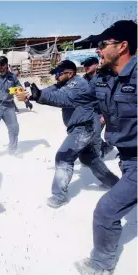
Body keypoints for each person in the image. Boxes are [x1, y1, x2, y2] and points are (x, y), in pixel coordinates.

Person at [74, 20, 137, 275]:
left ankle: (101, 266)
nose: (98, 49)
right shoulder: (104, 78)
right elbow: (74, 96)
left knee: (106, 211)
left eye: (102, 44)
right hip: (127, 157)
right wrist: (37, 95)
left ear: (122, 47)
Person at [16, 60, 119, 208]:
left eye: (58, 74)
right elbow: (51, 90)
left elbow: (63, 98)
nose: (56, 77)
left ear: (70, 73)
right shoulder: (65, 83)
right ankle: (114, 184)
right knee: (89, 158)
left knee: (63, 157)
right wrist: (32, 95)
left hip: (84, 128)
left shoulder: (77, 85)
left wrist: (38, 96)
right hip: (86, 127)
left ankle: (59, 196)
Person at [81, 56, 114, 158]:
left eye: (89, 65)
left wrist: (105, 115)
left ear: (96, 65)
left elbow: (111, 96)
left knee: (95, 134)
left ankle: (96, 156)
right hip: (90, 111)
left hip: (102, 111)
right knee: (89, 133)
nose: (86, 67)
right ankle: (105, 147)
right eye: (85, 65)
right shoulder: (84, 79)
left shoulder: (104, 77)